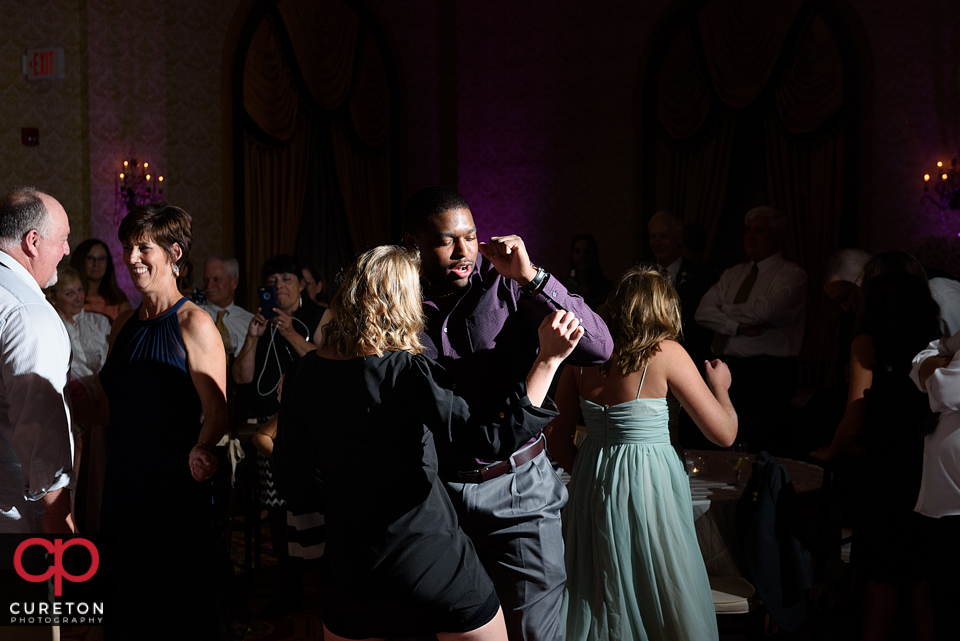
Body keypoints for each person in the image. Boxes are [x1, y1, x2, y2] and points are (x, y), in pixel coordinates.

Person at [273, 245, 584, 640]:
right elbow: (490, 440)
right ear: (402, 301)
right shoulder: (403, 369)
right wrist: (547, 362)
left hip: (350, 571)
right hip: (427, 558)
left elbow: (293, 487)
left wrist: (348, 490)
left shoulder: (303, 374)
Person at [402, 186, 613, 641]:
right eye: (445, 240)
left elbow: (599, 347)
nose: (463, 252)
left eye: (470, 236)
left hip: (518, 492)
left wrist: (532, 276)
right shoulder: (398, 303)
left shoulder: (506, 284)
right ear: (414, 243)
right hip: (437, 499)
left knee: (533, 632)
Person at [546, 266, 736, 640]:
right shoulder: (666, 353)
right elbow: (725, 434)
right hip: (650, 483)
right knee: (662, 578)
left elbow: (555, 436)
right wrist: (722, 387)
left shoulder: (582, 361)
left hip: (590, 481)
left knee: (600, 585)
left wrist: (591, 469)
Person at [99, 203, 227, 638]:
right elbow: (111, 405)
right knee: (123, 598)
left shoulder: (195, 323)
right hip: (121, 479)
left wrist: (201, 448)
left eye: (143, 248)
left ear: (174, 253)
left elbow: (217, 411)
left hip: (171, 483)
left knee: (169, 604)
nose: (132, 258)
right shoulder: (122, 325)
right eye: (128, 248)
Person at [815, 261, 940, 641]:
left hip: (886, 472)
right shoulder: (933, 340)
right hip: (926, 470)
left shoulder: (868, 341)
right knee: (920, 585)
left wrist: (830, 453)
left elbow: (854, 419)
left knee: (880, 585)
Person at [232, 253, 325, 615]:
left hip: (307, 429)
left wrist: (290, 332)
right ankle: (290, 585)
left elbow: (324, 363)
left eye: (286, 280)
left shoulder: (318, 316)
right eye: (272, 283)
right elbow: (241, 377)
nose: (279, 287)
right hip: (266, 431)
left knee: (314, 509)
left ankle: (322, 580)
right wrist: (255, 338)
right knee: (276, 510)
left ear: (301, 283)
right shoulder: (258, 323)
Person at [695, 206, 807, 451]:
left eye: (760, 230)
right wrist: (738, 326)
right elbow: (702, 311)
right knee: (722, 441)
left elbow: (766, 312)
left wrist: (724, 309)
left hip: (769, 374)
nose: (750, 235)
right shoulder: (733, 273)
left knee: (760, 443)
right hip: (728, 368)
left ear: (777, 236)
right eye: (747, 230)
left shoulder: (793, 275)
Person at [0, 187, 74, 536]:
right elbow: (38, 424)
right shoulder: (27, 312)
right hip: (13, 509)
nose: (66, 250)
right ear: (33, 241)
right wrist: (59, 510)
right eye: (62, 239)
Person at [44, 265, 111, 532]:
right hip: (70, 402)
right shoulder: (51, 325)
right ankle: (70, 518)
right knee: (78, 438)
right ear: (54, 297)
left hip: (102, 398)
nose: (78, 297)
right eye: (69, 293)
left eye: (80, 290)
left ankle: (100, 519)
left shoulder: (100, 322)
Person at [911, 330, 960, 640]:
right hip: (946, 505)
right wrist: (945, 364)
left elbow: (945, 390)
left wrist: (938, 373)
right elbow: (924, 356)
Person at [200, 255, 255, 359]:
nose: (209, 286)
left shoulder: (250, 322)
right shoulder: (192, 315)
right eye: (206, 280)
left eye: (216, 279)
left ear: (234, 282)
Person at [71, 237, 131, 322]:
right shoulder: (70, 299)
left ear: (107, 263)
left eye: (101, 259)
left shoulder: (118, 300)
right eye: (90, 258)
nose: (96, 264)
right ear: (81, 261)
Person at [562, 233, 613, 311]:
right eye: (577, 251)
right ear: (572, 256)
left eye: (586, 251)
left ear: (594, 255)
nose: (581, 256)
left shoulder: (606, 287)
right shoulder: (565, 286)